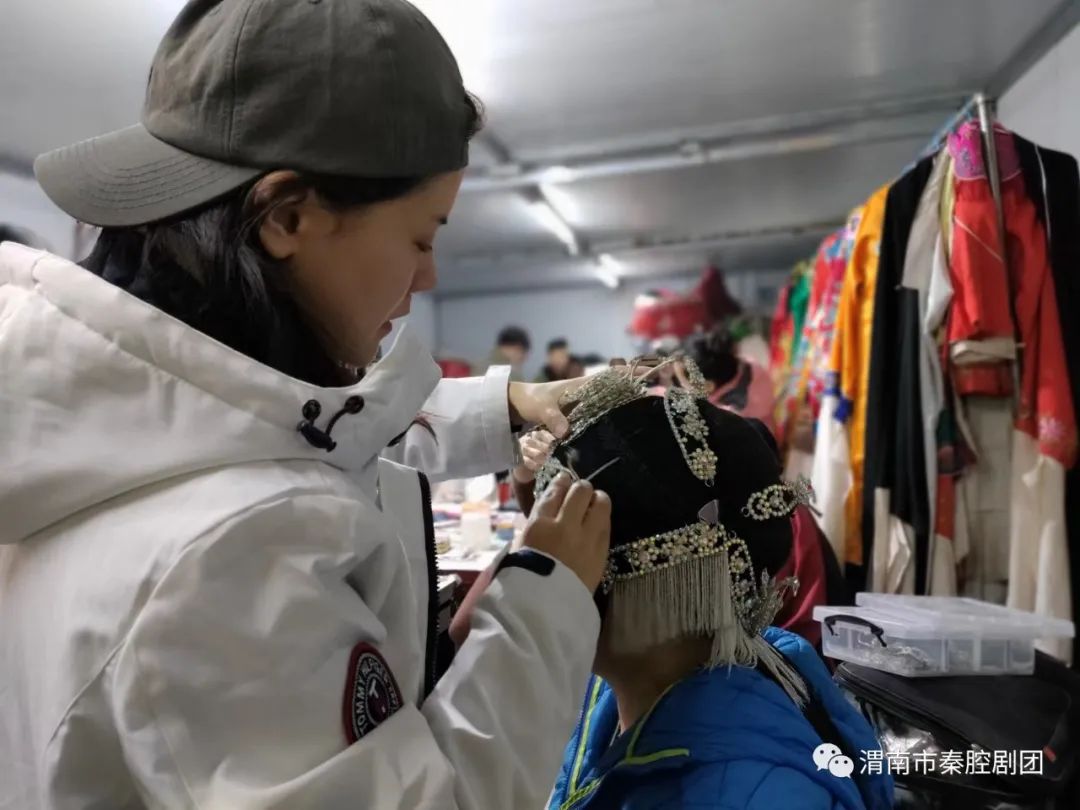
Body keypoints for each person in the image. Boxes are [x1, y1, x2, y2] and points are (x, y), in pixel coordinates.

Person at [0, 2, 612, 808]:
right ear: (287, 217)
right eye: (423, 238)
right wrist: (542, 605)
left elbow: (311, 433)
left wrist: (506, 408)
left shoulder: (92, 424)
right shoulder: (236, 553)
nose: (428, 278)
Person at [533, 363, 893, 809]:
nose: (540, 585)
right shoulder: (613, 688)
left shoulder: (757, 796)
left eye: (563, 558)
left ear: (654, 579)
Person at [687, 328, 778, 435]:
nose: (684, 387)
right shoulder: (748, 365)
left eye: (685, 381)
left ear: (708, 386)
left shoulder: (726, 415)